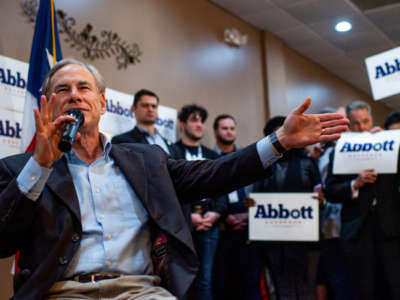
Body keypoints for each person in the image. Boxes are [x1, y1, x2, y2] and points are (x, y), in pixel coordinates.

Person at [0, 58, 348, 300]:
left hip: (142, 290)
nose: (75, 95)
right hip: (63, 293)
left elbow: (214, 172)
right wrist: (41, 165)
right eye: (63, 89)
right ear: (48, 105)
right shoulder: (20, 170)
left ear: (102, 103)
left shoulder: (146, 160)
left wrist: (279, 142)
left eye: (84, 88)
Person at [325, 100, 400, 300]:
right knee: (362, 288)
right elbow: (330, 190)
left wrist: (386, 143)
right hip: (357, 229)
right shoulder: (339, 151)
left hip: (390, 227)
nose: (362, 127)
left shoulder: (390, 144)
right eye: (356, 123)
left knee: (393, 284)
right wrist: (354, 185)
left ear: (372, 120)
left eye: (365, 121)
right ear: (349, 125)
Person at [253, 116, 322, 300]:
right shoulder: (263, 166)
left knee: (306, 284)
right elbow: (255, 198)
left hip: (305, 237)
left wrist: (320, 197)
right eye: (277, 134)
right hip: (273, 237)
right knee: (280, 285)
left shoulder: (308, 163)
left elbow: (320, 197)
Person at [171, 105, 227, 300]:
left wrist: (217, 213)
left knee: (205, 280)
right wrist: (189, 216)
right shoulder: (171, 152)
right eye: (194, 120)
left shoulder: (212, 155)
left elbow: (223, 188)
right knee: (180, 279)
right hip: (182, 224)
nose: (199, 125)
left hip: (210, 224)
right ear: (182, 124)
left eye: (202, 121)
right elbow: (169, 190)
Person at [212, 114, 262, 300]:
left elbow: (258, 188)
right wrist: (224, 217)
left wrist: (249, 215)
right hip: (223, 230)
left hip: (249, 229)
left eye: (232, 128)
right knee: (225, 284)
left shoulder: (247, 156)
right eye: (224, 128)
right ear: (216, 132)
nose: (229, 132)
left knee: (251, 283)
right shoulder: (210, 158)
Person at [111, 89, 176, 156]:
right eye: (145, 105)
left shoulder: (173, 147)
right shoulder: (121, 141)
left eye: (154, 106)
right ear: (133, 108)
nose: (150, 109)